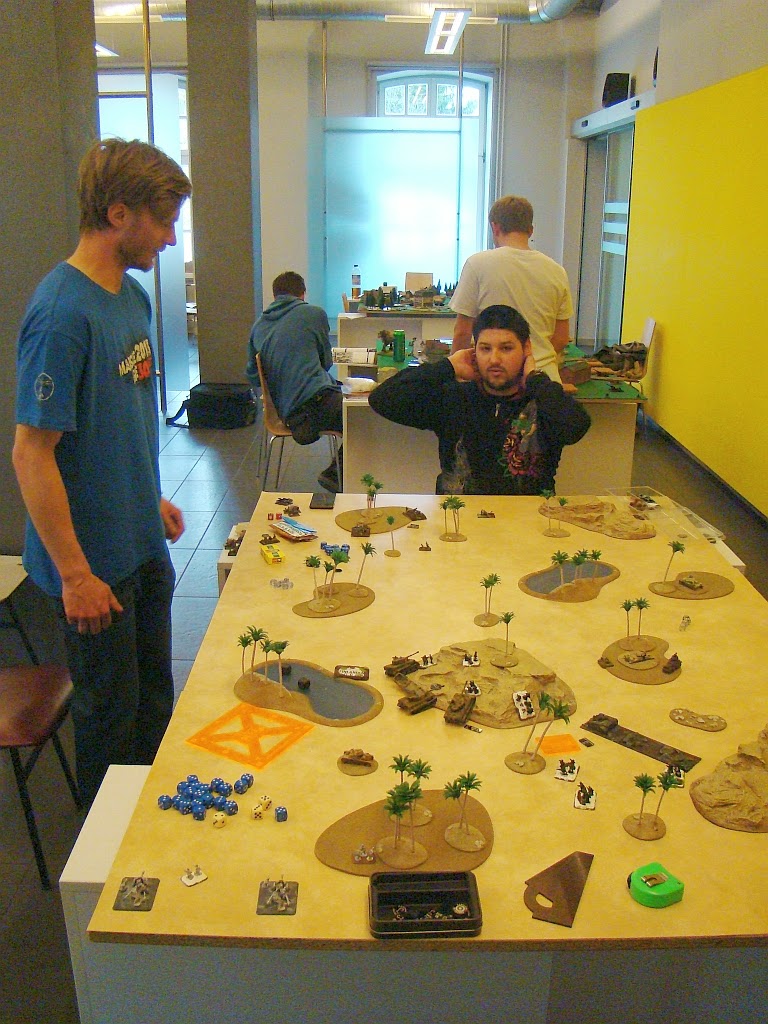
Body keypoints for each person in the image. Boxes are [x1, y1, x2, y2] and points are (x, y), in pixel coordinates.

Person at [12, 138, 192, 806]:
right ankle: (108, 859)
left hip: (142, 545)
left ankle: (150, 836)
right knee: (110, 728)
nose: (170, 238)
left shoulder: (132, 298)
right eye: (163, 221)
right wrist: (75, 576)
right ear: (118, 214)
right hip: (93, 570)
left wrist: (150, 499)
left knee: (152, 709)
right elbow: (31, 454)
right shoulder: (62, 314)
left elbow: (123, 418)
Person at [368, 304, 590, 495]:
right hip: (457, 518)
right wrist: (448, 366)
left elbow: (577, 426)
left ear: (526, 349)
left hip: (527, 521)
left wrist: (535, 379)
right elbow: (383, 399)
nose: (494, 359)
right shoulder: (455, 397)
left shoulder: (543, 401)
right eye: (485, 349)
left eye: (506, 348)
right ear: (474, 350)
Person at [450, 195, 573, 382]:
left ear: (495, 227)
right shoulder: (557, 271)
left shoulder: (477, 264)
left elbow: (462, 333)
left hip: (494, 378)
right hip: (542, 379)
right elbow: (561, 338)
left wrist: (455, 376)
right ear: (530, 230)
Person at [246, 271, 342, 492]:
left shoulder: (258, 326)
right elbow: (326, 363)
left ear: (274, 295)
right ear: (302, 293)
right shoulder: (314, 314)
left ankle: (339, 474)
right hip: (314, 407)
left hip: (285, 412)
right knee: (362, 415)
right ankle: (336, 474)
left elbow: (252, 375)